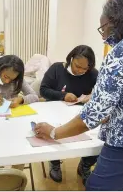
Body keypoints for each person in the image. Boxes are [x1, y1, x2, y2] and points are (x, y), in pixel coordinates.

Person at [34, 0, 123, 190]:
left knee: (97, 187)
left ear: (114, 22)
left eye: (104, 29)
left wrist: (54, 132)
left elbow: (92, 115)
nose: (104, 37)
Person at [40, 45, 98, 184]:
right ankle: (54, 162)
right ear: (71, 59)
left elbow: (102, 92)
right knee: (54, 132)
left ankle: (85, 164)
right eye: (78, 66)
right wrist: (63, 95)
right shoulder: (57, 69)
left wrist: (93, 95)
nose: (81, 71)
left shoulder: (93, 73)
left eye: (85, 69)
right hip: (55, 111)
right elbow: (43, 90)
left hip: (79, 113)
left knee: (96, 136)